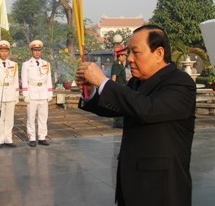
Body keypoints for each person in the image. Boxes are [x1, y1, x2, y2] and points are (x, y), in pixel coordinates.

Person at [75, 24, 196, 206]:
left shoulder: (179, 82)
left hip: (161, 189)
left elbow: (148, 109)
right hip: (131, 183)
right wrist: (91, 91)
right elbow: (119, 105)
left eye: (136, 52)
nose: (130, 59)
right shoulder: (137, 82)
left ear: (159, 53)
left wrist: (103, 81)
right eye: (129, 52)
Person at [21, 40, 53, 147]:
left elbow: (48, 79)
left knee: (43, 117)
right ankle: (32, 137)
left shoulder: (46, 64)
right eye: (35, 50)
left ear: (41, 51)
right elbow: (24, 80)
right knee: (31, 116)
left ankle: (42, 137)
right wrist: (25, 94)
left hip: (43, 92)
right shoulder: (26, 64)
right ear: (31, 51)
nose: (37, 53)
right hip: (32, 92)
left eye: (39, 50)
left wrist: (50, 93)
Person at [0, 40, 19, 148]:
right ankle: (0, 139)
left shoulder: (14, 65)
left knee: (10, 118)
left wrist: (16, 95)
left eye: (6, 51)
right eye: (2, 51)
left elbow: (15, 81)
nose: (4, 53)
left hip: (10, 93)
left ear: (8, 52)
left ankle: (8, 139)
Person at [111, 45, 128, 128]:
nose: (125, 58)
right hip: (118, 88)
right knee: (119, 106)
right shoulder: (117, 64)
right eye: (124, 56)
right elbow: (114, 77)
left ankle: (118, 122)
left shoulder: (120, 64)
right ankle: (118, 123)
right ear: (120, 56)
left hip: (121, 87)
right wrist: (112, 89)